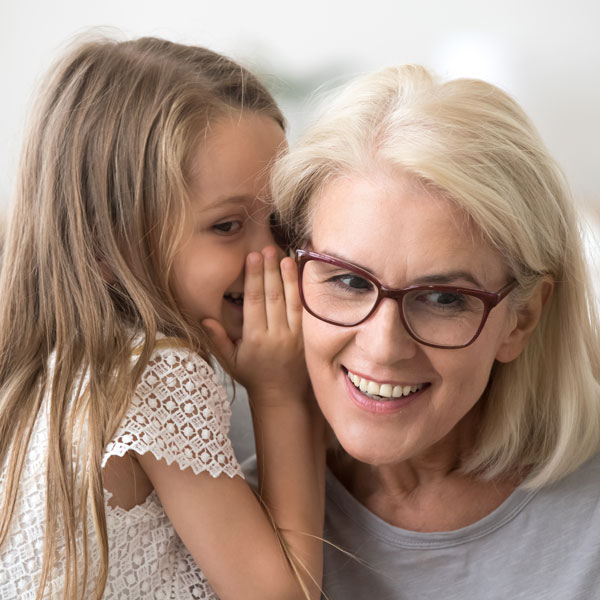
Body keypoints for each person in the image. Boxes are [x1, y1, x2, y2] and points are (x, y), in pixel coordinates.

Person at [0, 36, 325, 600]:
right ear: (107, 247)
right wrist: (280, 394)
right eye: (227, 226)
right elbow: (282, 596)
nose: (272, 255)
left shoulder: (46, 375)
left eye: (278, 220)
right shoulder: (157, 371)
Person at [270, 64, 600, 598]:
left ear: (522, 318)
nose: (383, 346)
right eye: (349, 281)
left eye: (445, 298)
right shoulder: (224, 499)